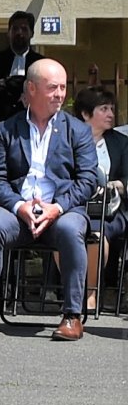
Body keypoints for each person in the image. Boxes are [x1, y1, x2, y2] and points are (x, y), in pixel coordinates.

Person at [0, 58, 98, 340]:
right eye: (52, 87)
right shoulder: (7, 129)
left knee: (69, 228)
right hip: (19, 210)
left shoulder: (77, 131)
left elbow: (88, 180)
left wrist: (57, 208)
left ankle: (72, 316)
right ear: (31, 89)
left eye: (63, 88)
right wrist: (20, 206)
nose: (60, 94)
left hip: (62, 210)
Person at [74, 88, 126, 307]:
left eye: (112, 109)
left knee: (96, 232)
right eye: (104, 109)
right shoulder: (69, 140)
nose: (111, 114)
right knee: (65, 227)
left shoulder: (121, 143)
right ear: (86, 114)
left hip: (111, 209)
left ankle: (90, 293)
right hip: (75, 205)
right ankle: (71, 290)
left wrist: (119, 185)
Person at [0, 11, 37, 139]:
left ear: (31, 33)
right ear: (8, 33)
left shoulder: (39, 63)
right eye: (15, 29)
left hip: (31, 129)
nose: (19, 33)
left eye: (24, 29)